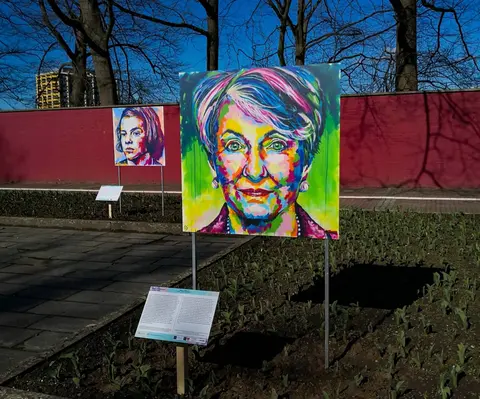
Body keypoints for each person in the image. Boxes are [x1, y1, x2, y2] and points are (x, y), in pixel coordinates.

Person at [191, 66, 338, 239]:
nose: (254, 172)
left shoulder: (325, 238)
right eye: (234, 145)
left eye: (276, 145)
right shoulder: (203, 237)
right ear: (212, 162)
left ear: (307, 162)